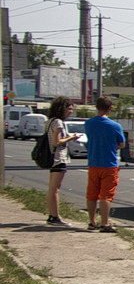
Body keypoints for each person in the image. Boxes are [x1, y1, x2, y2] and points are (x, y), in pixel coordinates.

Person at [83, 95, 126, 233]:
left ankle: (91, 221)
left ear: (97, 107)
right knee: (106, 195)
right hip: (109, 164)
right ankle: (104, 223)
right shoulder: (115, 126)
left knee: (92, 194)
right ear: (110, 108)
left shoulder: (88, 123)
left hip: (93, 162)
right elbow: (122, 144)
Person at [45, 96, 83, 227]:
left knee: (52, 188)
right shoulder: (59, 123)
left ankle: (52, 215)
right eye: (69, 109)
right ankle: (54, 217)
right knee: (55, 189)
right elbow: (57, 141)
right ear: (62, 108)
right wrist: (71, 137)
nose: (70, 111)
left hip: (52, 157)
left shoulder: (50, 121)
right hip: (58, 158)